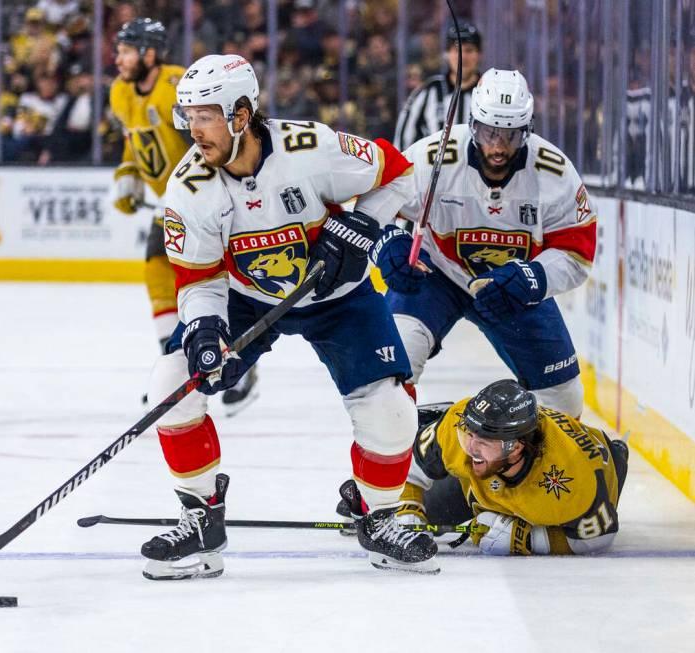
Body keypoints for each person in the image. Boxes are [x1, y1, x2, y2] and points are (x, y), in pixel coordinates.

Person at [140, 53, 438, 580]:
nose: (194, 130)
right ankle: (201, 519)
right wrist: (207, 332)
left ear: (240, 115)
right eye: (188, 116)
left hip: (339, 297)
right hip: (246, 299)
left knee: (391, 410)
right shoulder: (188, 189)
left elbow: (401, 174)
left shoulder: (312, 148)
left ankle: (378, 516)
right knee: (173, 381)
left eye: (205, 116)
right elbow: (198, 279)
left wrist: (361, 226)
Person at [372, 69, 596, 418]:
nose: (497, 145)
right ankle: (396, 466)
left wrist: (533, 277)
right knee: (388, 372)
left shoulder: (555, 174)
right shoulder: (434, 156)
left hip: (512, 287)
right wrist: (389, 243)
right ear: (473, 124)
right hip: (435, 274)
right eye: (490, 132)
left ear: (527, 130)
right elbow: (373, 205)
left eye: (510, 134)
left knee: (564, 402)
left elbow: (578, 252)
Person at [110, 18, 259, 409]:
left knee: (222, 285)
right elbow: (134, 142)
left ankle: (241, 360)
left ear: (150, 53)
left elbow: (214, 141)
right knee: (158, 272)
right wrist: (128, 173)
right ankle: (173, 366)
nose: (118, 59)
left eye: (126, 50)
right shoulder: (119, 94)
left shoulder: (176, 87)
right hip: (173, 201)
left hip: (208, 198)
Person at [389, 379, 628, 555]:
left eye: (483, 442)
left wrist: (527, 539)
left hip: (581, 476)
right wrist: (408, 507)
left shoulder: (573, 480)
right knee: (395, 501)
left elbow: (598, 538)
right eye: (468, 435)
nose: (470, 447)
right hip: (491, 481)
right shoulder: (459, 425)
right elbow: (412, 465)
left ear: (514, 448)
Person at [393, 20, 483, 151]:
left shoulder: (491, 93)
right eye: (457, 50)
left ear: (479, 55)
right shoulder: (426, 92)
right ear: (447, 54)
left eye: (469, 50)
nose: (463, 57)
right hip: (433, 171)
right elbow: (403, 141)